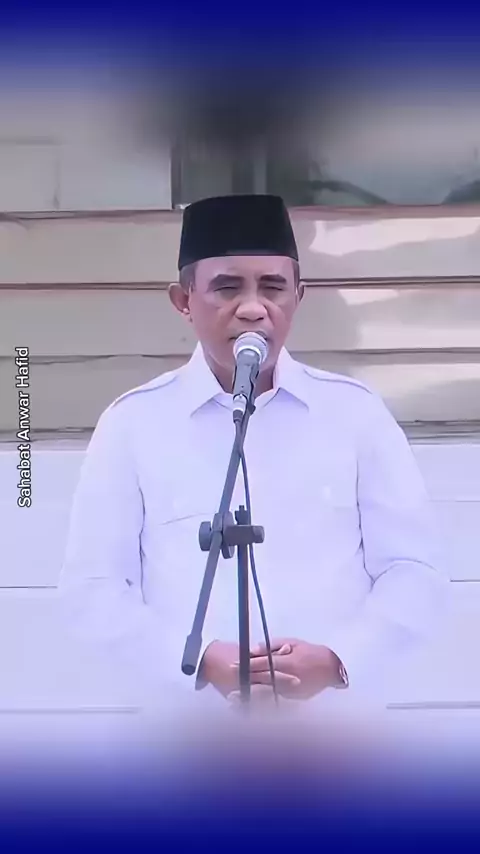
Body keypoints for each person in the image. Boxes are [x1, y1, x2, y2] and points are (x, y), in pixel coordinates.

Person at [59, 194, 448, 714]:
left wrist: (338, 659)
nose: (252, 308)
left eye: (273, 287)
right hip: (189, 738)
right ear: (183, 300)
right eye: (227, 287)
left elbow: (415, 571)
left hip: (333, 737)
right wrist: (198, 661)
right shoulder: (133, 423)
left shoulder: (355, 414)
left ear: (298, 297)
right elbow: (93, 589)